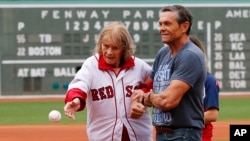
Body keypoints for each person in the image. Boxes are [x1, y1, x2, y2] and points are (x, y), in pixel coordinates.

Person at [64, 21, 153, 141]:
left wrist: (143, 94)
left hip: (138, 136)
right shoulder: (91, 66)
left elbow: (156, 82)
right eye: (105, 46)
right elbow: (80, 84)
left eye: (115, 48)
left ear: (125, 49)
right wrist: (76, 99)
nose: (109, 52)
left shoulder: (139, 66)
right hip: (103, 136)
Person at [130, 5, 207, 141]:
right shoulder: (163, 53)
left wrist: (147, 97)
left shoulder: (190, 55)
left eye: (167, 24)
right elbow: (148, 85)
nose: (162, 28)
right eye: (160, 24)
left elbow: (168, 101)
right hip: (162, 133)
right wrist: (138, 99)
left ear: (184, 26)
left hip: (183, 135)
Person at [189, 35, 220, 141]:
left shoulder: (208, 80)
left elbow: (212, 115)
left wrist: (184, 119)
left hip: (200, 136)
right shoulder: (175, 80)